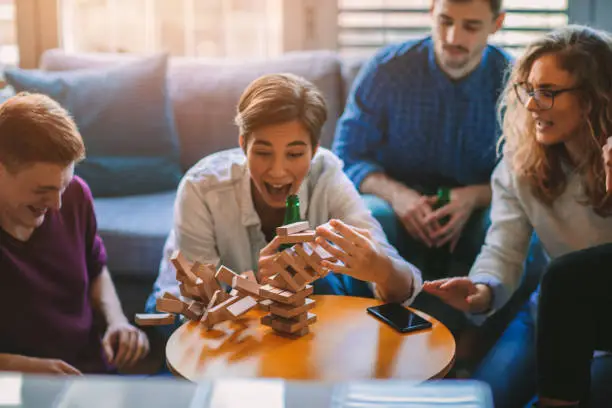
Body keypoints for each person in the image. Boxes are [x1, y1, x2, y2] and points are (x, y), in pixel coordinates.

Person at [422, 26, 612, 408]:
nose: (531, 105)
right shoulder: (520, 162)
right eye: (529, 89)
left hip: (602, 315)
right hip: (555, 309)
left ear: (593, 99)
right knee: (484, 399)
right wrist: (482, 290)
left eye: (549, 93)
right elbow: (504, 248)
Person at [146, 73, 422, 317]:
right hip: (190, 310)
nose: (277, 171)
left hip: (288, 314)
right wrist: (259, 288)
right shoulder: (201, 187)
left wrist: (381, 269)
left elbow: (404, 282)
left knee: (318, 284)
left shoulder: (326, 173)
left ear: (314, 151)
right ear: (243, 146)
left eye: (294, 154)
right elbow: (202, 304)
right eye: (263, 152)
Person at [332, 0, 510, 282]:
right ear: (431, 13)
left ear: (496, 24)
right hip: (394, 208)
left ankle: (474, 324)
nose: (453, 38)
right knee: (368, 219)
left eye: (471, 26)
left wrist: (474, 197)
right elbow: (346, 156)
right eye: (445, 21)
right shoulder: (386, 69)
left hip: (478, 212)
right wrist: (397, 195)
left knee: (509, 225)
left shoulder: (515, 81)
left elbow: (529, 175)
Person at [0, 93, 149, 375]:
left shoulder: (76, 195)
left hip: (91, 373)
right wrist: (25, 369)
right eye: (42, 191)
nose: (56, 205)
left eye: (63, 186)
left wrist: (116, 320)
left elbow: (95, 268)